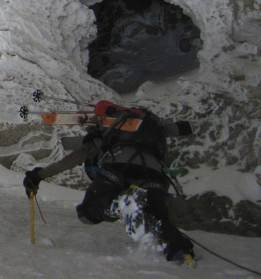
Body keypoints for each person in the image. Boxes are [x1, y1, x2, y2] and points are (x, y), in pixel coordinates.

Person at [23, 102, 195, 265]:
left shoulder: (102, 134)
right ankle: (180, 251)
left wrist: (40, 175)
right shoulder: (151, 134)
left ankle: (119, 205)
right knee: (157, 218)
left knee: (88, 212)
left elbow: (75, 157)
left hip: (118, 167)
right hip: (153, 175)